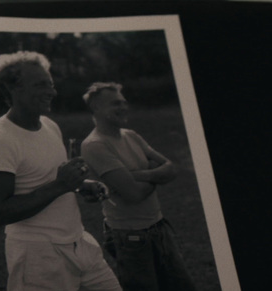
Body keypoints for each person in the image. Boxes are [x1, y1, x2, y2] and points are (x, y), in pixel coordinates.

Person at [0, 51, 121, 291]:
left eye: (51, 84)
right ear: (14, 89)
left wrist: (82, 185)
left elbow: (50, 180)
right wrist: (61, 185)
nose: (52, 92)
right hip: (38, 258)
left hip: (80, 244)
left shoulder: (49, 125)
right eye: (41, 85)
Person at [81, 82, 198, 291]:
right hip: (130, 237)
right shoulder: (95, 145)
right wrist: (156, 177)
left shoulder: (131, 135)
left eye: (124, 103)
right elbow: (133, 194)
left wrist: (136, 176)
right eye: (116, 104)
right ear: (96, 108)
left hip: (159, 227)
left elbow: (171, 168)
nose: (124, 107)